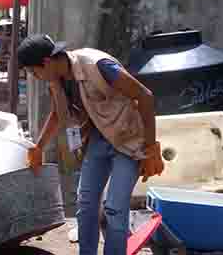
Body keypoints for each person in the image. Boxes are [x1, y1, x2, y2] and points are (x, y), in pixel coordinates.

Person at [17, 34, 164, 255]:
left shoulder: (98, 65)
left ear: (46, 62)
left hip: (128, 140)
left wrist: (151, 147)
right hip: (99, 138)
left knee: (114, 209)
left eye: (34, 72)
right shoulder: (56, 80)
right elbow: (58, 113)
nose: (35, 77)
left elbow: (145, 96)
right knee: (85, 206)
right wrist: (39, 146)